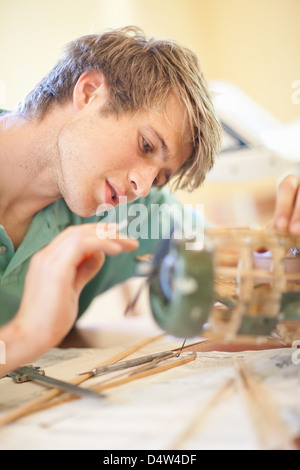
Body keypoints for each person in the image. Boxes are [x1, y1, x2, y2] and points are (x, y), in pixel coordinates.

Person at [0, 26, 299, 377]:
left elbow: (253, 265)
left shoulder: (127, 210)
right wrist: (24, 337)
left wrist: (287, 247)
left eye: (159, 177)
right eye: (146, 145)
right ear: (91, 92)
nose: (141, 187)